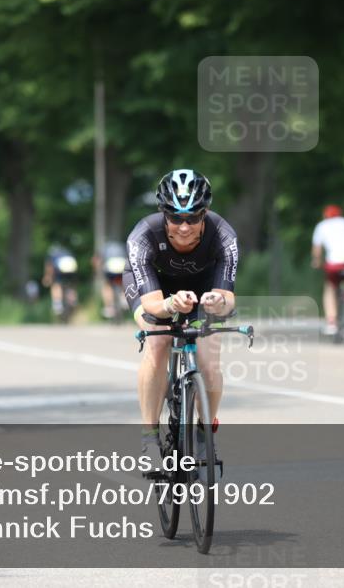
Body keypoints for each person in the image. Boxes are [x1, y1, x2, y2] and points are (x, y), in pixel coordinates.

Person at [123, 169, 238, 469]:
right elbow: (152, 305)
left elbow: (228, 299)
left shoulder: (223, 235)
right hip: (155, 288)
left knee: (210, 361)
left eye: (193, 218)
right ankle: (149, 438)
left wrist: (217, 300)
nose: (184, 227)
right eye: (175, 218)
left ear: (206, 213)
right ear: (163, 214)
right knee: (158, 340)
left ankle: (203, 434)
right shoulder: (143, 236)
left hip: (203, 288)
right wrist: (171, 303)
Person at [311, 205, 344, 335]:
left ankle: (331, 322)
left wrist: (317, 262)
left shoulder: (322, 226)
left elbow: (317, 250)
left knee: (330, 288)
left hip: (335, 264)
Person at [93, 240, 129, 320]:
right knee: (122, 282)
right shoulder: (122, 246)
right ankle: (124, 298)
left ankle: (109, 307)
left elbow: (97, 261)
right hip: (122, 264)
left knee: (107, 285)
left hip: (110, 266)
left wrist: (98, 271)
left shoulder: (103, 248)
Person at [42, 242, 78, 320]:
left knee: (56, 284)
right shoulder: (67, 252)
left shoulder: (52, 255)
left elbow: (49, 267)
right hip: (71, 267)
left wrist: (48, 277)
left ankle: (57, 303)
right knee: (71, 286)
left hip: (61, 268)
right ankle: (72, 299)